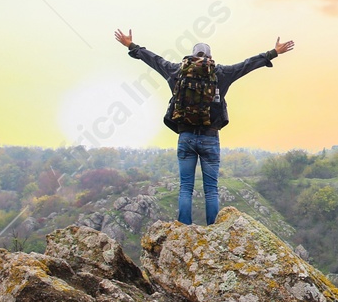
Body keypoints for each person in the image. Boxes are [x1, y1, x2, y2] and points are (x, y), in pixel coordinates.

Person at [114, 29, 294, 225]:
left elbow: (154, 60)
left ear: (192, 55)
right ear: (210, 56)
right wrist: (273, 52)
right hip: (210, 137)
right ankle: (213, 230)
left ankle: (183, 228)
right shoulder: (221, 73)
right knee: (211, 189)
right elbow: (246, 65)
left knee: (185, 187)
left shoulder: (176, 71)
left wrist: (131, 46)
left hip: (186, 137)